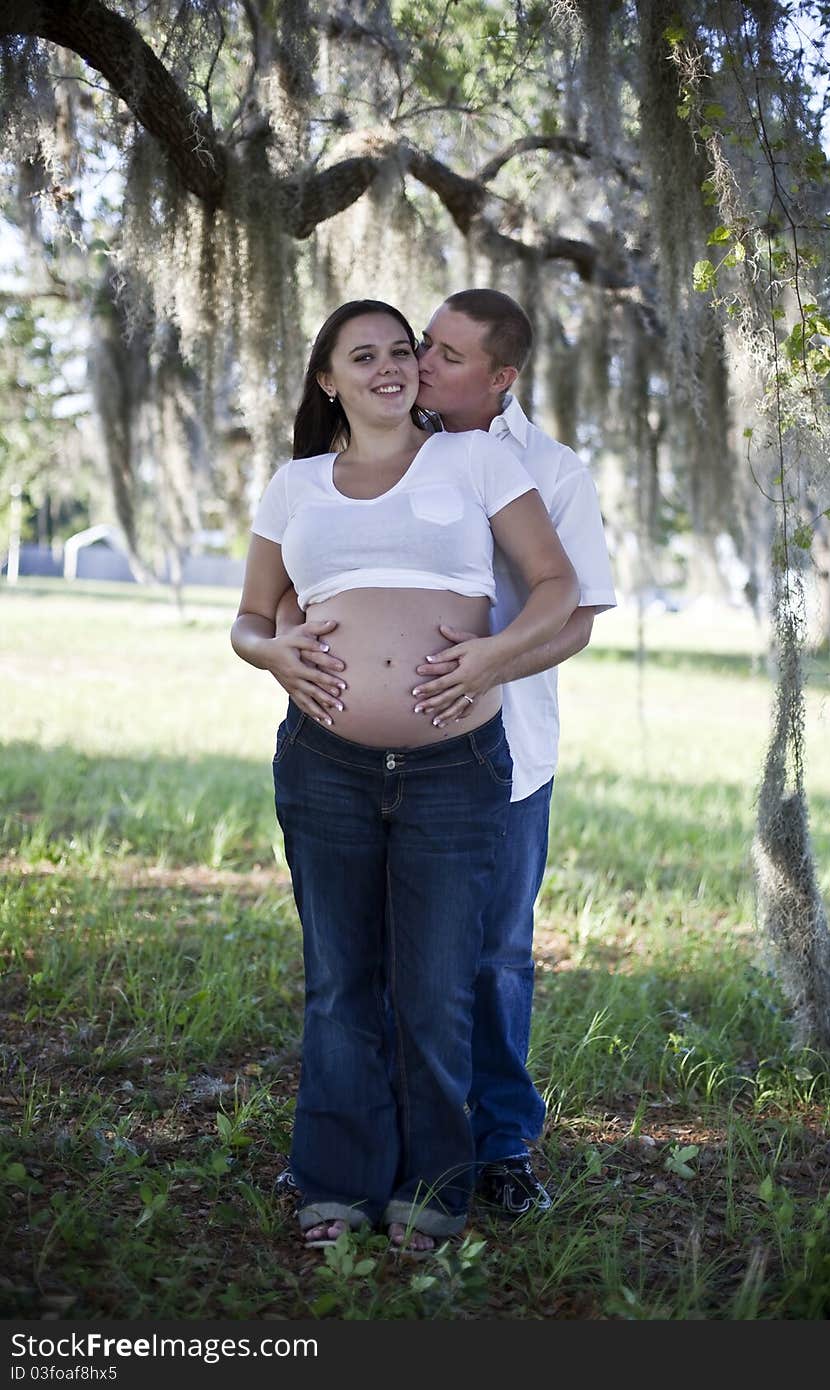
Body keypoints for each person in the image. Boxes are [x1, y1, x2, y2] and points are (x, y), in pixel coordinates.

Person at [231, 299, 578, 1253]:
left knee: (436, 990)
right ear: (327, 379)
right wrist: (273, 654)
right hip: (325, 764)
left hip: (453, 767)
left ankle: (436, 1191)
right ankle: (337, 1186)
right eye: (365, 355)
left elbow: (557, 586)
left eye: (401, 350)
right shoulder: (296, 485)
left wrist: (492, 658)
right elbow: (249, 618)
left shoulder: (475, 460)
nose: (392, 366)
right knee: (341, 984)